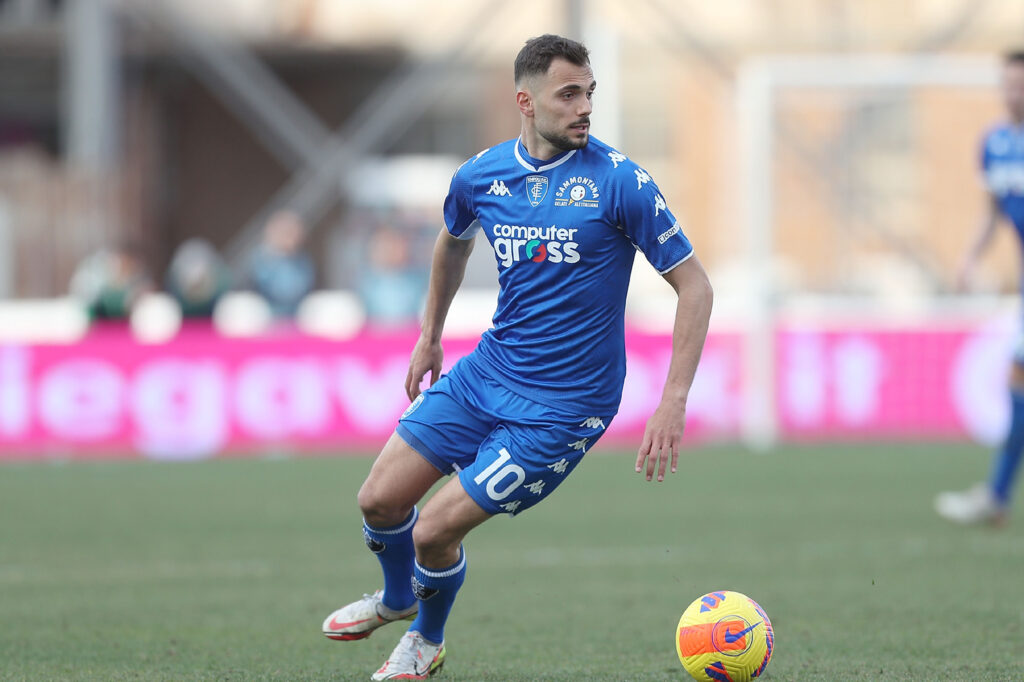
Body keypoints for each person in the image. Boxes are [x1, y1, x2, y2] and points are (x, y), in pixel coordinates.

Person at [321, 34, 713, 680]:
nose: (584, 107)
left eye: (589, 93)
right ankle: (396, 598)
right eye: (569, 94)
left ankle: (426, 639)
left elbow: (694, 286)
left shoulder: (621, 183)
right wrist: (429, 333)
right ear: (525, 102)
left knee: (432, 531)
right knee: (378, 501)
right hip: (488, 372)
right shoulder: (481, 176)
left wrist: (673, 399)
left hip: (563, 408)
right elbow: (453, 242)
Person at [936, 50, 1024, 526]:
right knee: (1018, 381)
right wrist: (970, 255)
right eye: (1008, 84)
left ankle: (997, 495)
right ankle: (998, 495)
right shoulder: (995, 143)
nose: (1014, 93)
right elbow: (994, 210)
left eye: (1021, 84)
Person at [246, 209, 315, 318]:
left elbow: (303, 286)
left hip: (297, 316)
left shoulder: (302, 260)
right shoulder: (262, 258)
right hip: (268, 316)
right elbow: (277, 290)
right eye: (288, 233)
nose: (293, 238)